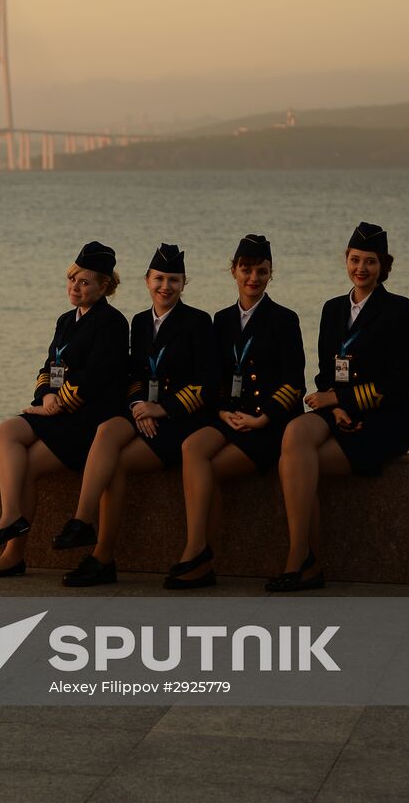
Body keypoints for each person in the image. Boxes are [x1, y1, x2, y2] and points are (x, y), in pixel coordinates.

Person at [270, 222, 409, 592]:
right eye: (355, 260)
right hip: (338, 411)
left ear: (384, 267)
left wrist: (340, 400)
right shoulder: (332, 309)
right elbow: (325, 372)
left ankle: (302, 560)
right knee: (294, 434)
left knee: (300, 467)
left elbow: (400, 383)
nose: (361, 268)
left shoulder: (400, 309)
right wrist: (334, 408)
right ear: (346, 260)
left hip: (387, 418)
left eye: (371, 262)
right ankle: (306, 559)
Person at [60, 243, 216, 588]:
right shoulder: (141, 322)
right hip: (145, 414)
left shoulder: (198, 322)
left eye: (173, 280)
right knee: (109, 444)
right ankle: (92, 537)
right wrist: (137, 406)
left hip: (182, 422)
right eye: (159, 278)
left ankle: (100, 554)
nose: (165, 286)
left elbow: (207, 384)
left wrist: (162, 409)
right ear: (147, 281)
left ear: (184, 283)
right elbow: (134, 376)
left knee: (114, 460)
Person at [0, 242, 129, 579]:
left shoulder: (112, 322)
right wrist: (45, 396)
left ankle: (14, 554)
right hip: (56, 410)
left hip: (86, 419)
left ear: (104, 286)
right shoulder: (65, 320)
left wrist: (58, 404)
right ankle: (11, 517)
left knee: (28, 467)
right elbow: (49, 365)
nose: (76, 287)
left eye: (85, 282)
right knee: (6, 431)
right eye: (72, 279)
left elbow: (97, 377)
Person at [164, 234, 305, 590]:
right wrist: (222, 411)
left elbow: (294, 384)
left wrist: (264, 417)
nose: (253, 278)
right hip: (230, 417)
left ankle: (198, 558)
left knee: (208, 469)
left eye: (261, 271)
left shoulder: (284, 319)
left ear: (271, 274)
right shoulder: (222, 320)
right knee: (192, 447)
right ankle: (196, 549)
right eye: (246, 270)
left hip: (268, 424)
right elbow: (213, 377)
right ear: (233, 271)